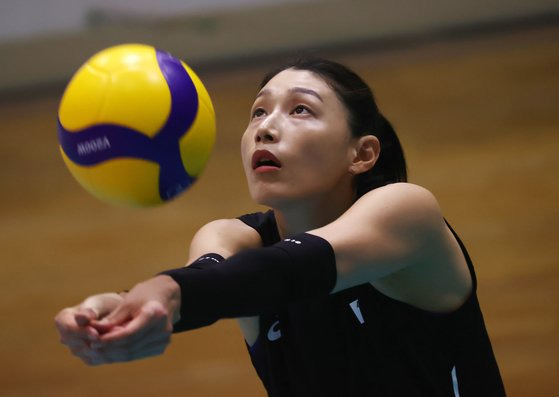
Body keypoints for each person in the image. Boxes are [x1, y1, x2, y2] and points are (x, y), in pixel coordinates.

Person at [55, 58, 506, 396]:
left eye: (301, 110)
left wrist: (168, 294)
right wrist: (115, 310)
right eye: (257, 113)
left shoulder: (407, 212)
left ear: (362, 153)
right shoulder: (228, 237)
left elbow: (293, 269)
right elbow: (206, 282)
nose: (265, 129)